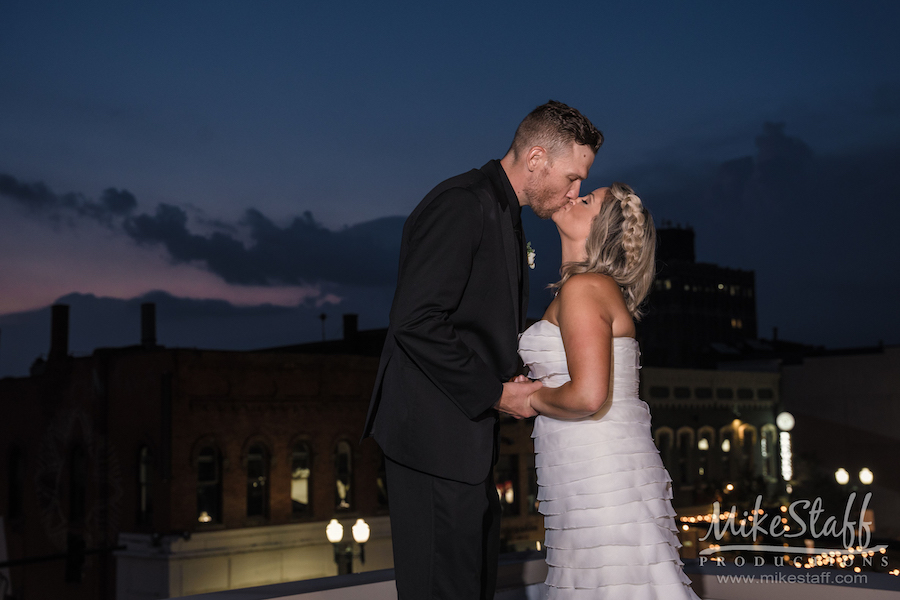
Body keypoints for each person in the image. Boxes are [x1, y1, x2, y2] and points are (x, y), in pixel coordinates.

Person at [362, 101, 602, 599]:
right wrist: (495, 393)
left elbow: (477, 323)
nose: (574, 191)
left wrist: (513, 376)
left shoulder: (506, 215)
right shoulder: (461, 203)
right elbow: (415, 321)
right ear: (536, 158)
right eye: (573, 177)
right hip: (430, 441)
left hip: (464, 444)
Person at [517, 183, 701, 599]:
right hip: (587, 473)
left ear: (603, 232)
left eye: (587, 200)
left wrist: (528, 399)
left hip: (601, 479)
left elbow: (587, 396)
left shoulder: (584, 289)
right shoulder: (589, 289)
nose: (571, 195)